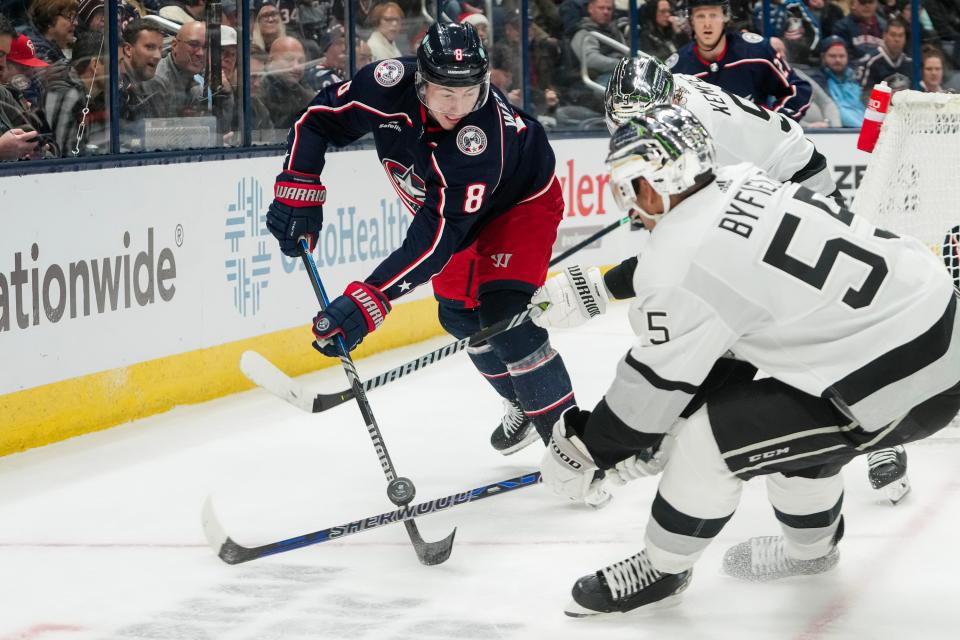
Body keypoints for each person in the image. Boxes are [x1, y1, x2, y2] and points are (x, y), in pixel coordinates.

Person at [535, 104, 960, 616]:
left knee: (707, 443)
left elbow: (649, 393)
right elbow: (725, 326)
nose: (630, 205)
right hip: (932, 324)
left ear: (659, 180)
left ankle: (662, 569)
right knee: (793, 441)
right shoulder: (740, 180)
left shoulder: (680, 258)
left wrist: (586, 450)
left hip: (895, 376)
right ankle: (809, 556)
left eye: (631, 186)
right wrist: (648, 428)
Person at [264, 22, 598, 495]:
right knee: (460, 318)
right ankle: (520, 401)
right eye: (443, 92)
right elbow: (317, 118)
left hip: (520, 206)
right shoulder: (384, 83)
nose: (455, 107)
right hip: (454, 217)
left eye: (468, 93)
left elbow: (439, 240)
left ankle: (573, 451)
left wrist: (371, 297)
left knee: (504, 317)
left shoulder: (480, 140)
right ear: (419, 79)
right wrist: (300, 186)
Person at [605, 54, 839, 202]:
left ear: (672, 102)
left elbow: (701, 203)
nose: (634, 129)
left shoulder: (696, 126)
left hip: (795, 176)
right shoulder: (672, 85)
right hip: (769, 161)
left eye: (645, 119)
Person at [668, 0, 811, 121]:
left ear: (725, 17)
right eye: (700, 16)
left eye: (713, 15)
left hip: (755, 147)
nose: (707, 24)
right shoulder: (677, 69)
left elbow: (797, 89)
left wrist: (775, 125)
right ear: (691, 21)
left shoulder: (756, 52)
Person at [258, 36, 314, 129]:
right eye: (289, 59)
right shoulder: (258, 88)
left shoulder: (303, 90)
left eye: (301, 61)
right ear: (270, 61)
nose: (297, 67)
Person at [811, 35, 867, 127]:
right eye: (832, 56)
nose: (838, 60)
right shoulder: (818, 81)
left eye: (842, 56)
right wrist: (863, 128)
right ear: (823, 57)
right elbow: (834, 110)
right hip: (842, 132)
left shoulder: (857, 78)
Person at [570, 0, 625, 88]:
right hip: (597, 78)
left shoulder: (617, 30)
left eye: (609, 9)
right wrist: (622, 65)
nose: (606, 12)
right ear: (590, 9)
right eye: (601, 8)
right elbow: (591, 60)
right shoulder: (584, 33)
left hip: (621, 73)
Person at [119, 18, 164, 122]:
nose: (158, 56)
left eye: (160, 48)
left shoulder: (156, 87)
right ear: (128, 49)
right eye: (150, 47)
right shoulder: (116, 90)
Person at [860, 17, 912, 98]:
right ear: (884, 36)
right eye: (893, 35)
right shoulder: (872, 62)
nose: (897, 39)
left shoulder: (909, 62)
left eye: (900, 35)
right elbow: (865, 95)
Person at [21, 0, 77, 64]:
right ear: (50, 19)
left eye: (75, 17)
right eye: (70, 17)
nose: (76, 23)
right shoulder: (40, 52)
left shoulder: (50, 49)